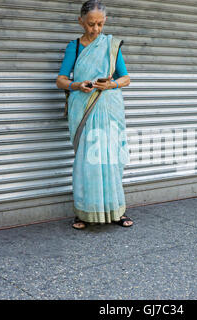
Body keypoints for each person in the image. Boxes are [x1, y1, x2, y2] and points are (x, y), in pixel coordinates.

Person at [56, 0, 133, 229]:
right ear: (81, 22)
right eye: (90, 24)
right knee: (86, 162)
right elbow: (60, 80)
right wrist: (78, 85)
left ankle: (117, 211)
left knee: (110, 159)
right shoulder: (75, 47)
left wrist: (111, 85)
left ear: (105, 21)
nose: (95, 29)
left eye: (100, 24)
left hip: (108, 108)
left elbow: (126, 78)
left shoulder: (111, 46)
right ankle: (84, 213)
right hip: (84, 109)